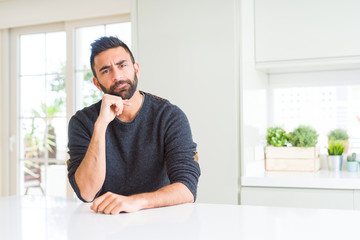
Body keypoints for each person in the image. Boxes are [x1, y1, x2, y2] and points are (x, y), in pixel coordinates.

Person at [67, 36, 200, 214]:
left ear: (136, 69)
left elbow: (187, 188)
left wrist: (134, 202)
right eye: (106, 71)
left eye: (122, 65)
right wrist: (101, 125)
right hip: (106, 223)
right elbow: (86, 192)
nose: (117, 76)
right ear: (97, 83)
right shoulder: (83, 122)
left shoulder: (169, 116)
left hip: (161, 220)